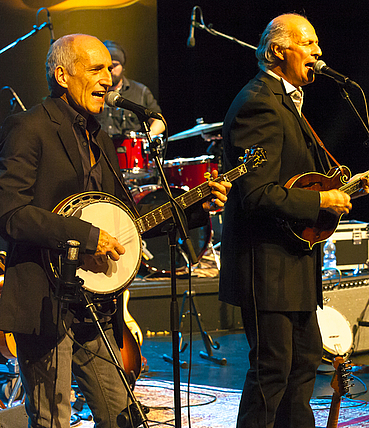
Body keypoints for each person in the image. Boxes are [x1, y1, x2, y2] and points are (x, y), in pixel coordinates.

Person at [0, 34, 229, 427]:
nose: (108, 78)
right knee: (53, 419)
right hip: (45, 301)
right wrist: (85, 235)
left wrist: (195, 209)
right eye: (96, 69)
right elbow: (10, 213)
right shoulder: (29, 127)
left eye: (109, 68)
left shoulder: (100, 138)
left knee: (122, 415)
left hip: (96, 306)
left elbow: (127, 222)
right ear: (62, 75)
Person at [217, 13, 369, 428]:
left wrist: (342, 190)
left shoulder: (286, 101)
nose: (318, 52)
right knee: (273, 370)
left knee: (304, 362)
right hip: (267, 265)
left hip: (294, 261)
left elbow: (293, 180)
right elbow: (256, 193)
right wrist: (321, 199)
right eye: (308, 43)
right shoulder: (259, 102)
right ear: (277, 51)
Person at [95, 40, 165, 138]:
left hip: (130, 151)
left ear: (123, 67)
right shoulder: (92, 91)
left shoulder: (140, 91)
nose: (111, 70)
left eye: (114, 65)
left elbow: (159, 121)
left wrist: (146, 137)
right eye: (106, 66)